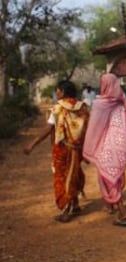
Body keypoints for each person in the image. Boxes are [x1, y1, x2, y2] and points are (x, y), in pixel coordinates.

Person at [24, 80, 90, 223]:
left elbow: (48, 130)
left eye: (57, 90)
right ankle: (76, 204)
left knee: (62, 178)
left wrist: (32, 144)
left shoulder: (58, 109)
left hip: (62, 149)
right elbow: (88, 129)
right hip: (77, 148)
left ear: (63, 92)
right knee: (74, 173)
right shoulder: (82, 107)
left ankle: (67, 210)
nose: (56, 93)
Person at [83, 73, 126, 227]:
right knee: (114, 179)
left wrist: (88, 148)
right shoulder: (124, 103)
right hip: (120, 148)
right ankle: (110, 205)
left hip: (105, 148)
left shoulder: (100, 104)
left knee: (109, 180)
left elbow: (94, 129)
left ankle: (124, 214)